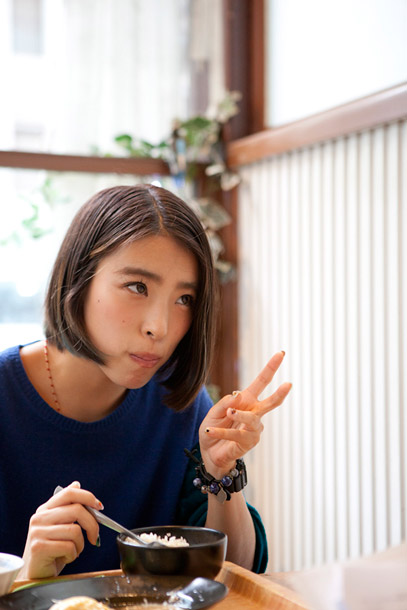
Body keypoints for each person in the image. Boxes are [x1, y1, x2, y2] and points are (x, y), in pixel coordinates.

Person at [0, 184, 291, 580]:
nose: (160, 327)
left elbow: (236, 574)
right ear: (80, 278)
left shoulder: (180, 404)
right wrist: (22, 578)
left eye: (184, 299)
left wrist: (221, 474)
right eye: (137, 287)